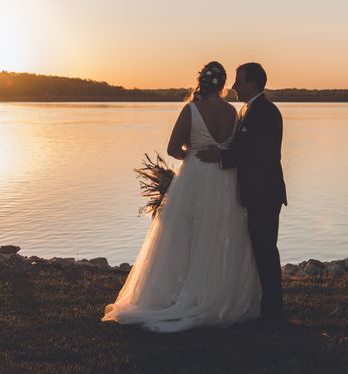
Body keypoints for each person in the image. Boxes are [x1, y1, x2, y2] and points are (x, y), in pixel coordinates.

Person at [102, 61, 260, 332]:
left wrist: (191, 151)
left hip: (196, 177)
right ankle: (215, 292)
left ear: (201, 82)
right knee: (219, 234)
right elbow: (233, 148)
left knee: (185, 235)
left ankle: (185, 292)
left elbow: (173, 148)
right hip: (224, 179)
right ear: (222, 85)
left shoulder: (191, 109)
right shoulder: (233, 113)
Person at [197, 62, 287, 321]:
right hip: (255, 192)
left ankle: (273, 311)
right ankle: (265, 304)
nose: (234, 86)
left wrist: (221, 156)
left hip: (265, 193)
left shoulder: (266, 112)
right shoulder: (248, 110)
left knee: (266, 250)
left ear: (253, 84)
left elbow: (259, 152)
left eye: (239, 81)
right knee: (259, 249)